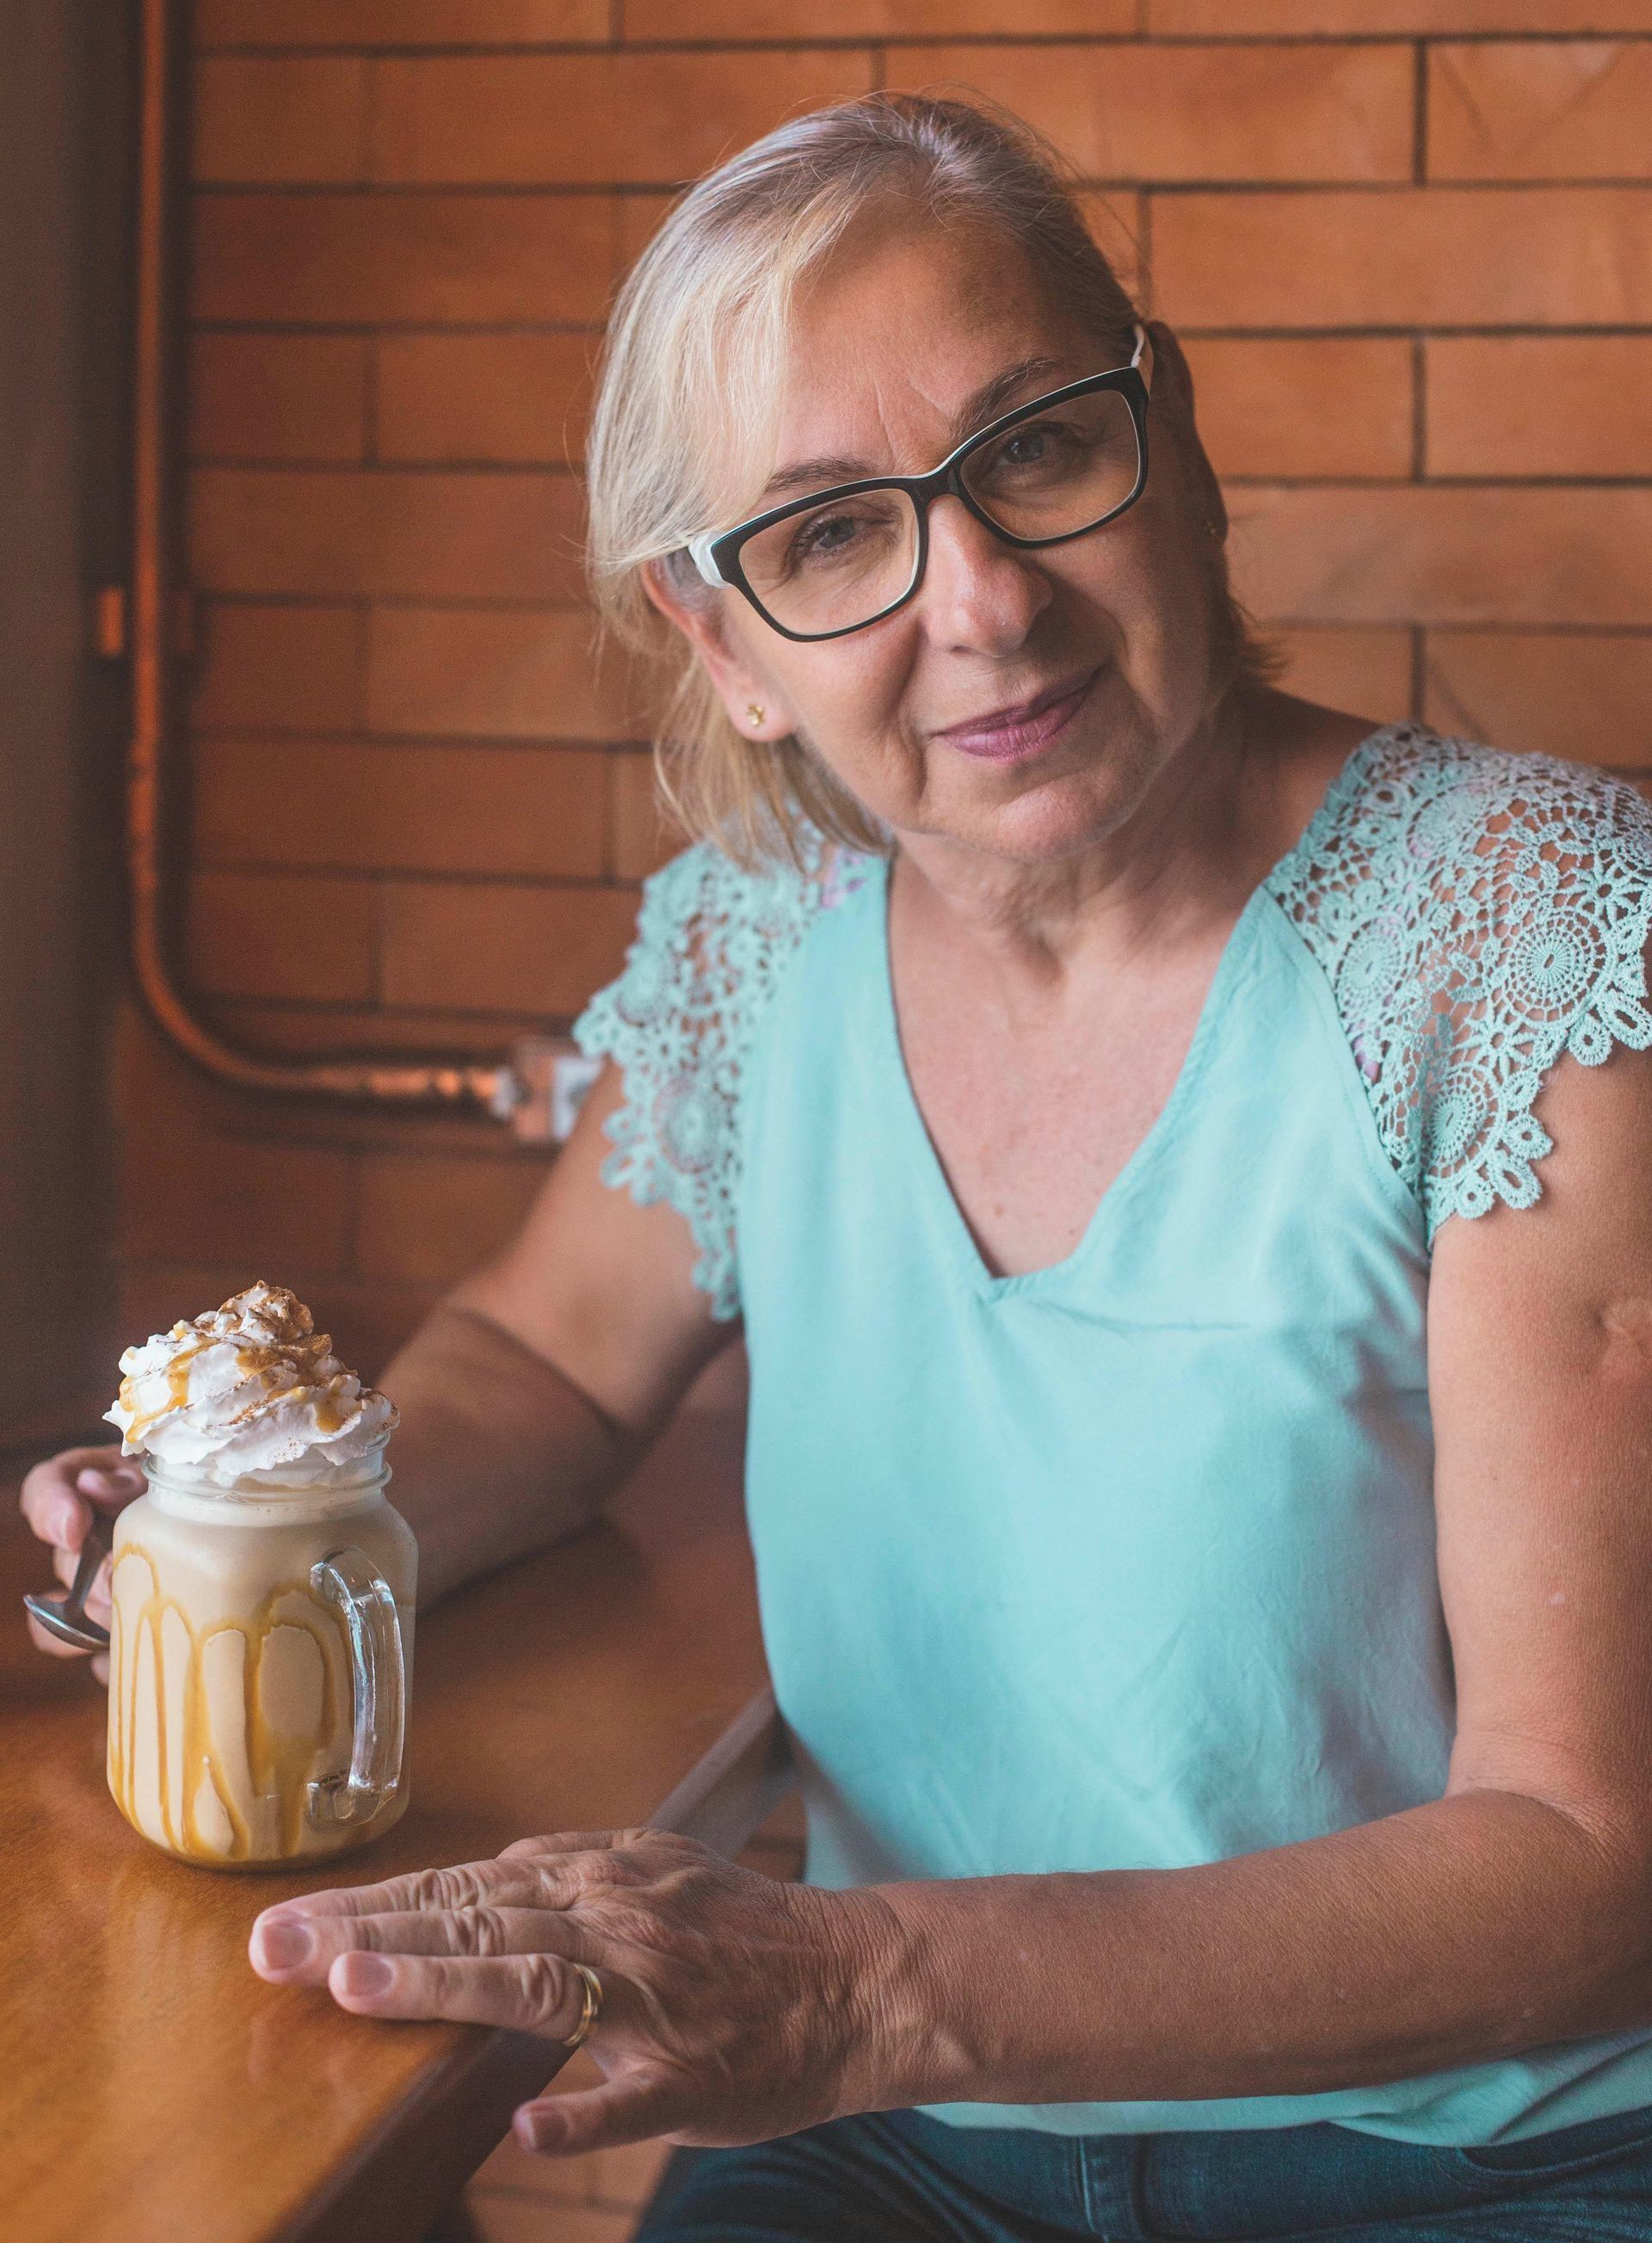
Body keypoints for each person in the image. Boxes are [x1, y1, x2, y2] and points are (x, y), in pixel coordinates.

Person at [25, 93, 1652, 2241]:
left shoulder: (1524, 929)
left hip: (1459, 2157)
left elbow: (1584, 1845)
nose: (979, 599)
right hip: (909, 2149)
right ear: (723, 643)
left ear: (1172, 431)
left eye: (1041, 451)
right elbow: (539, 1356)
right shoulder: (755, 940)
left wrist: (867, 1982)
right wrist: (267, 1516)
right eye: (826, 539)